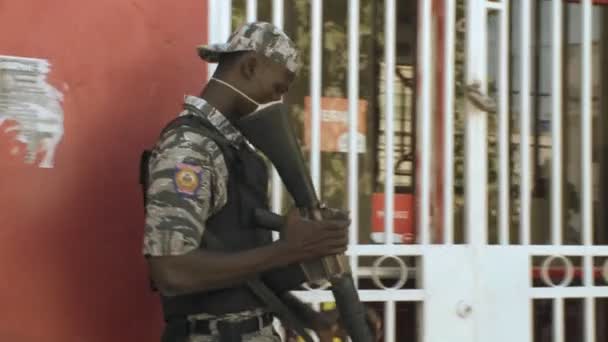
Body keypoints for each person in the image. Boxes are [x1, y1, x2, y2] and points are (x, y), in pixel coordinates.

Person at [141, 22, 380, 342]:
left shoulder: (238, 154)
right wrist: (288, 249)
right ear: (251, 66)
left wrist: (313, 318)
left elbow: (245, 275)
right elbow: (171, 271)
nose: (278, 100)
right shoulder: (189, 147)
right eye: (278, 88)